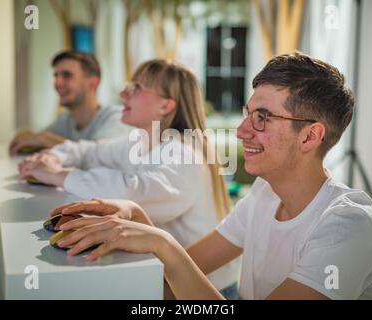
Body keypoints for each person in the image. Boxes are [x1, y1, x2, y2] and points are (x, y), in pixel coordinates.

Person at [48, 52, 372, 300]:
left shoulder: (348, 226)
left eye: (262, 117)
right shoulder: (264, 193)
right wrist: (135, 215)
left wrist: (162, 243)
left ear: (310, 136)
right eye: (248, 114)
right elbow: (185, 273)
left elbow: (178, 264)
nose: (243, 131)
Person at [18, 59, 241, 298]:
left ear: (166, 105)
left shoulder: (185, 152)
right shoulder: (140, 141)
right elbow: (88, 151)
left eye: (136, 88)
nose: (123, 93)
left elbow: (131, 194)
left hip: (200, 290)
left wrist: (58, 175)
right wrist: (49, 158)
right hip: (166, 280)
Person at [9, 51, 129, 155]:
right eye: (56, 76)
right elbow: (34, 138)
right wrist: (31, 137)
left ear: (93, 84)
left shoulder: (116, 118)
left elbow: (100, 156)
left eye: (67, 75)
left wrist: (48, 140)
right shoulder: (65, 120)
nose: (57, 83)